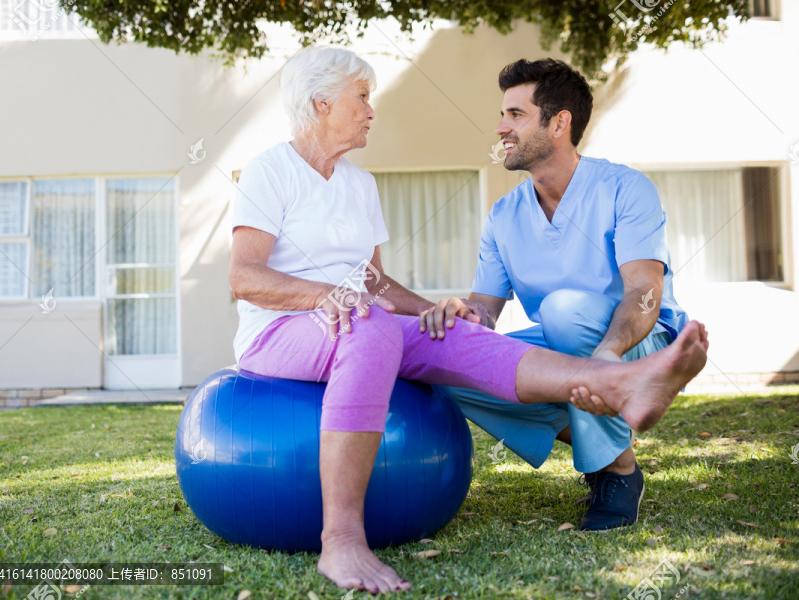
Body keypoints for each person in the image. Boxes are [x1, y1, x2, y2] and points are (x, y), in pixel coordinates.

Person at [230, 46, 707, 594]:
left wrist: (435, 311)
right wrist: (324, 296)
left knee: (455, 334)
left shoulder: (359, 184)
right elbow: (244, 277)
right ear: (320, 103)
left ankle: (619, 383)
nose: (371, 109)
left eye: (514, 114)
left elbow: (375, 284)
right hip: (282, 331)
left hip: (371, 323)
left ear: (560, 123)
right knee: (383, 328)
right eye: (362, 97)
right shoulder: (271, 170)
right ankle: (341, 541)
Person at [420, 58, 691, 532]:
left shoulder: (625, 189)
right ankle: (613, 451)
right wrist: (464, 316)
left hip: (642, 343)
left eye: (516, 115)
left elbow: (646, 292)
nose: (501, 127)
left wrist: (607, 353)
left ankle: (616, 473)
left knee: (564, 312)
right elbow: (485, 310)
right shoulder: (503, 215)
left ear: (559, 122)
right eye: (503, 115)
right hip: (566, 347)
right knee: (447, 360)